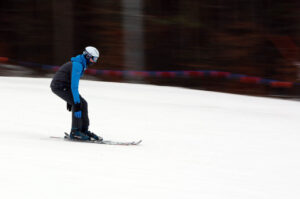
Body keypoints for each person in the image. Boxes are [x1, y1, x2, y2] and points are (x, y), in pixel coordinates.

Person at [50, 46, 102, 141]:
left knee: (83, 103)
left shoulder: (80, 64)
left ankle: (83, 130)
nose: (94, 61)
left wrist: (69, 99)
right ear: (87, 56)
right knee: (77, 104)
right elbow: (74, 86)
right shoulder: (78, 65)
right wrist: (75, 102)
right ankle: (75, 132)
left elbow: (70, 83)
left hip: (65, 86)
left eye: (96, 59)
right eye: (93, 58)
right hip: (59, 86)